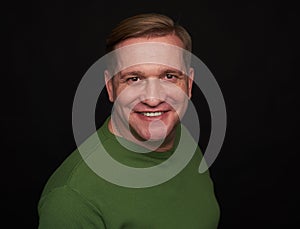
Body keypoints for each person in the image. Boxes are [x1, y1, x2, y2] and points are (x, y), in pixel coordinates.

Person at [38, 13, 220, 228]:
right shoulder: (72, 198)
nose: (153, 99)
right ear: (110, 87)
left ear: (188, 84)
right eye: (134, 79)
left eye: (169, 76)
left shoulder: (182, 138)